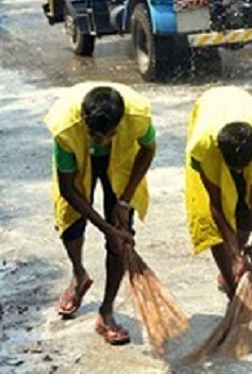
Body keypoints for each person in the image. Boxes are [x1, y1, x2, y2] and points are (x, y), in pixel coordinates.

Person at [45, 83, 157, 345]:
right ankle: (79, 274)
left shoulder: (138, 116)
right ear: (85, 124)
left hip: (119, 162)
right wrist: (106, 228)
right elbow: (68, 189)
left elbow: (148, 149)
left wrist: (124, 201)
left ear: (120, 123)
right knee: (71, 223)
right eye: (97, 136)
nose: (103, 141)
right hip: (81, 160)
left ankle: (106, 311)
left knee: (119, 240)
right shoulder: (66, 129)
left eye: (110, 134)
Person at [185, 86, 252, 298]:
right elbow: (215, 205)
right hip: (209, 108)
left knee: (243, 212)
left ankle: (232, 266)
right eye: (234, 168)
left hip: (242, 114)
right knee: (209, 220)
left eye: (242, 167)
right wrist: (235, 255)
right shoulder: (202, 147)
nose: (238, 171)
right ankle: (230, 282)